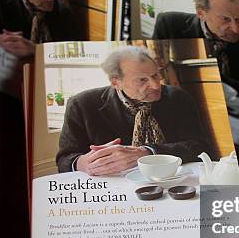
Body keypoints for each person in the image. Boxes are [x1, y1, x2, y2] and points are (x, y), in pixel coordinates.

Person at [56, 46, 215, 175]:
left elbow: (200, 147)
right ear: (116, 83)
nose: (155, 85)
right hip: (112, 189)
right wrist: (82, 163)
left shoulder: (178, 98)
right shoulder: (82, 104)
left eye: (155, 75)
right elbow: (64, 160)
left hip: (171, 180)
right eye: (142, 80)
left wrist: (147, 152)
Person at [152, 0, 239, 100]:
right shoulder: (168, 24)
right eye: (226, 19)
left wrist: (214, 76)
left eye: (238, 19)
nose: (236, 29)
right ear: (201, 13)